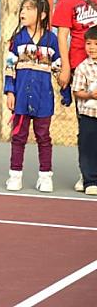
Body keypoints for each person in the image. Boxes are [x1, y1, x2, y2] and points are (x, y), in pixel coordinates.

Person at [51, 0, 97, 192]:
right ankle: (87, 172)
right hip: (82, 68)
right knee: (87, 123)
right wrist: (66, 67)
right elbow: (63, 36)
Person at [3, 0, 60, 192]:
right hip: (20, 99)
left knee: (43, 137)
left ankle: (45, 177)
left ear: (42, 14)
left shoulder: (51, 40)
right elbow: (9, 67)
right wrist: (10, 91)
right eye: (22, 8)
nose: (22, 13)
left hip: (43, 99)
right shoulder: (17, 40)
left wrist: (66, 90)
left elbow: (59, 68)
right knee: (18, 136)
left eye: (29, 9)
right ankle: (15, 175)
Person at [70, 25, 97, 196]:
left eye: (96, 44)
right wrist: (90, 95)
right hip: (88, 114)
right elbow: (77, 91)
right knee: (87, 146)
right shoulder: (83, 67)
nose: (92, 47)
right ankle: (90, 180)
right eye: (88, 43)